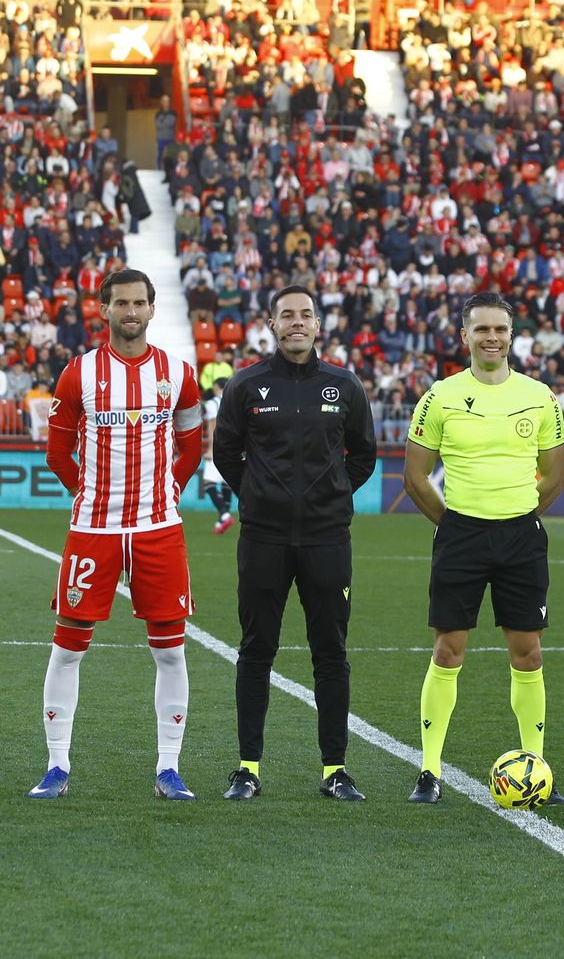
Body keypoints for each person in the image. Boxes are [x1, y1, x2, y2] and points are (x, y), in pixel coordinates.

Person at [33, 269, 204, 800]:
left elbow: (191, 447)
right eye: (121, 303)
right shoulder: (77, 374)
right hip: (94, 530)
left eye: (139, 303)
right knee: (68, 646)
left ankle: (169, 769)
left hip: (159, 530)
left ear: (152, 310)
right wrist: (89, 493)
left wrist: (167, 494)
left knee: (171, 652)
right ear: (103, 309)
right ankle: (57, 765)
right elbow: (58, 453)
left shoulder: (179, 373)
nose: (130, 312)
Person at [402, 291, 564, 804]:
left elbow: (556, 472)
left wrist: (518, 515)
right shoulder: (440, 396)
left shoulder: (539, 396)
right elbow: (415, 476)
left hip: (520, 536)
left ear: (511, 336)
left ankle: (535, 768)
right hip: (462, 537)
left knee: (529, 652)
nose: (491, 337)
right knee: (449, 650)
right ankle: (429, 770)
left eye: (499, 329)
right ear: (465, 336)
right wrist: (453, 524)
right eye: (481, 329)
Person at [213, 285, 378, 802]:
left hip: (327, 540)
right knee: (256, 651)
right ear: (272, 324)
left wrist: (328, 496)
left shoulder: (344, 385)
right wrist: (261, 495)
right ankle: (246, 768)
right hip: (263, 538)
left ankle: (335, 769)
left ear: (318, 324)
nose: (298, 322)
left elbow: (363, 456)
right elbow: (226, 454)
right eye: (288, 315)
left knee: (330, 653)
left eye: (306, 314)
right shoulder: (246, 386)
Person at [201, 376, 235, 534]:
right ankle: (221, 520)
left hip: (219, 447)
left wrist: (210, 449)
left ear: (216, 387)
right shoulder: (235, 400)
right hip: (235, 447)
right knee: (227, 481)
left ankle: (224, 513)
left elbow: (213, 425)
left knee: (208, 482)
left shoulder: (213, 403)